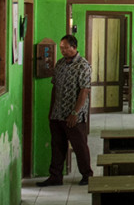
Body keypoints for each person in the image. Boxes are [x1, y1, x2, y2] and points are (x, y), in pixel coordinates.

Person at [37, 34, 94, 186]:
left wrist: (74, 113)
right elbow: (55, 87)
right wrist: (51, 110)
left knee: (79, 145)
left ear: (74, 47)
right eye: (61, 48)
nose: (62, 50)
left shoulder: (83, 65)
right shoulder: (60, 64)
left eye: (65, 48)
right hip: (57, 114)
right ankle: (55, 176)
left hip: (74, 115)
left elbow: (84, 91)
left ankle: (87, 174)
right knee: (57, 146)